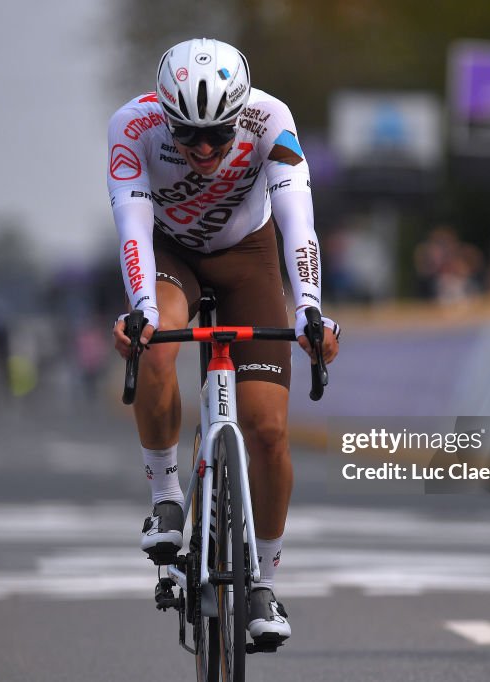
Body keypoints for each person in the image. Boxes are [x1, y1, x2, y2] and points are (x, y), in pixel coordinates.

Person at [108, 38, 340, 646]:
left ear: (241, 113)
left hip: (248, 256)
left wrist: (312, 310)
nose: (204, 149)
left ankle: (263, 580)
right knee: (157, 346)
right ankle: (166, 494)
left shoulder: (271, 119)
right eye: (188, 135)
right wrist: (141, 313)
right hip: (169, 253)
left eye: (218, 134)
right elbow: (131, 225)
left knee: (267, 430)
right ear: (164, 116)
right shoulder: (131, 128)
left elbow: (298, 220)